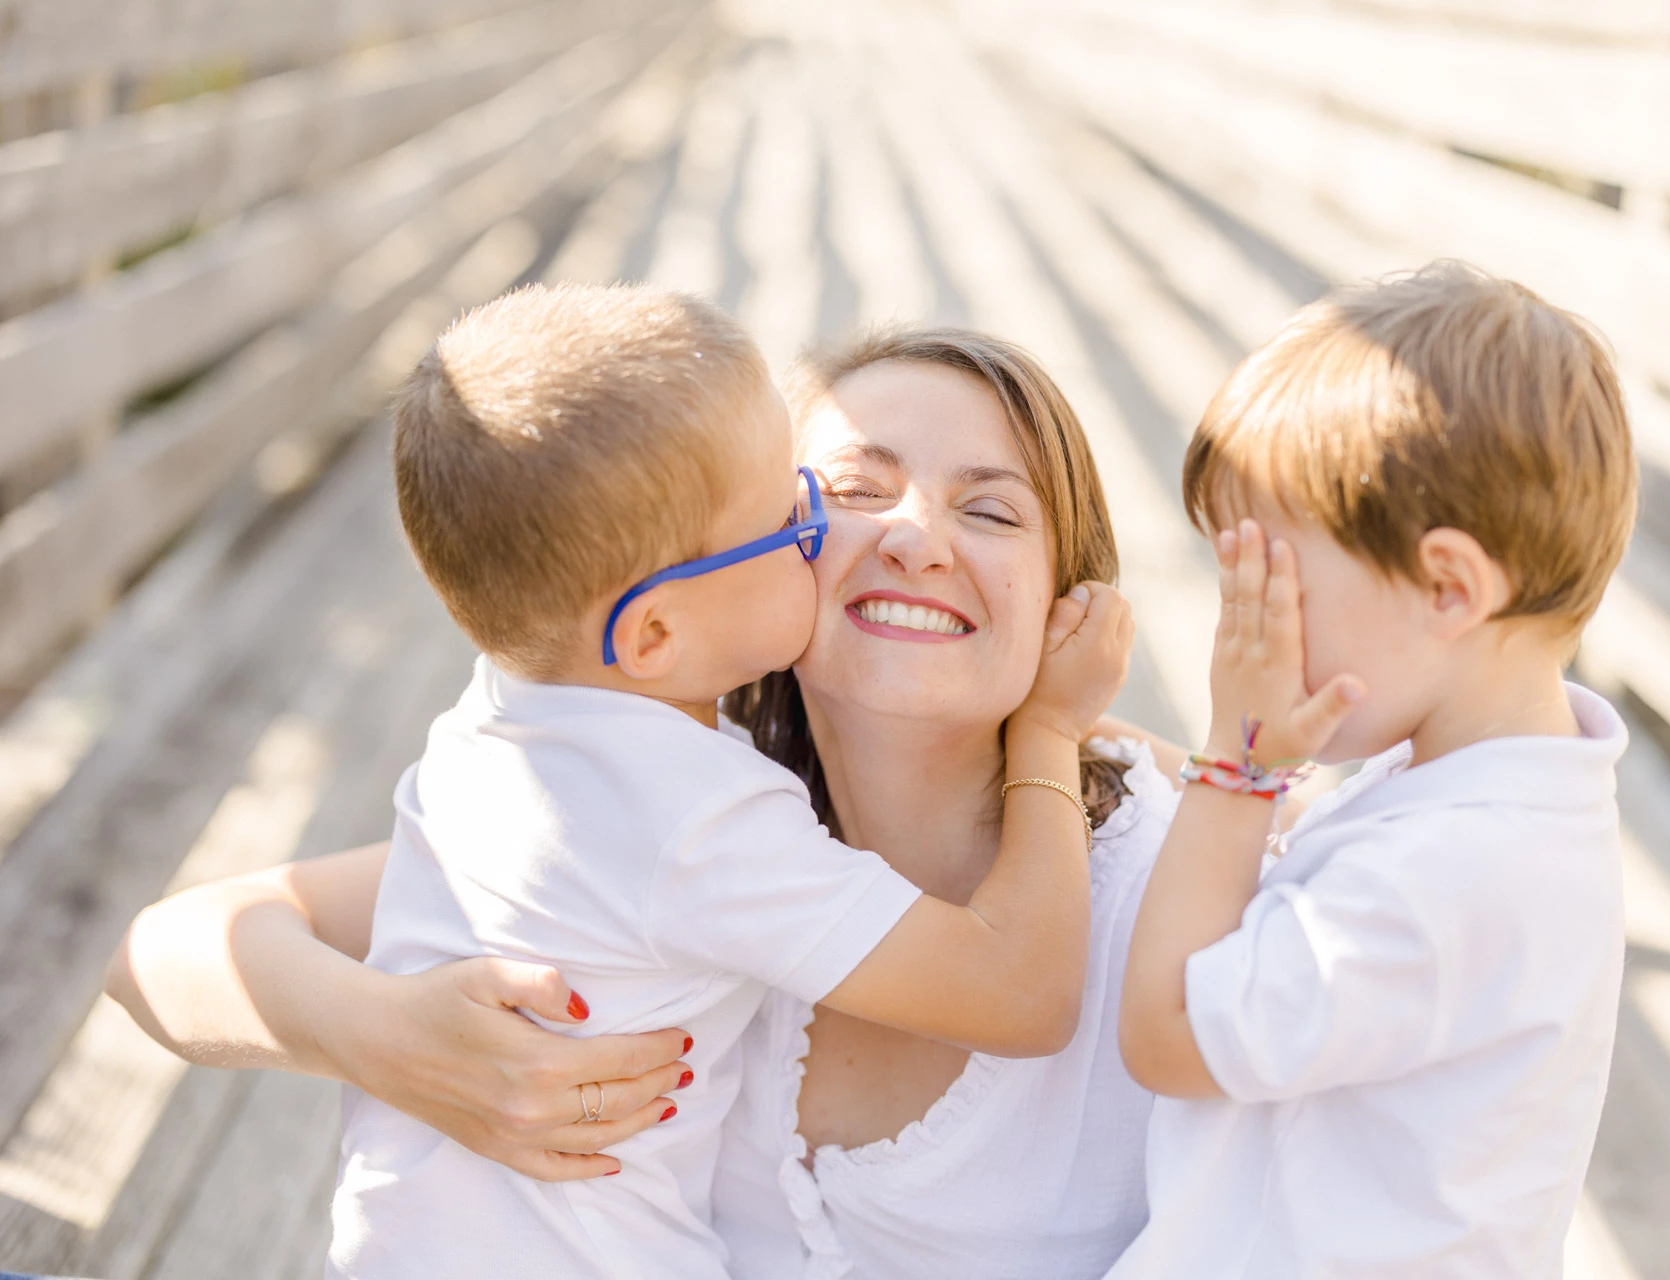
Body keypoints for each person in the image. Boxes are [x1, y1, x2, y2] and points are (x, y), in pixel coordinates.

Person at [109, 324, 1182, 1278]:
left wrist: (1073, 736)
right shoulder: (689, 817)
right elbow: (161, 950)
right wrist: (387, 1037)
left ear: (1069, 602)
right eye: (837, 495)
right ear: (663, 621)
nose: (914, 535)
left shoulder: (1175, 881)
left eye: (990, 508)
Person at [1112, 261, 1638, 1278]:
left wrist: (1235, 762)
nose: (1245, 625)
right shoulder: (1501, 786)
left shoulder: (1454, 869)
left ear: (1447, 587)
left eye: (1274, 582)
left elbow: (1166, 1032)